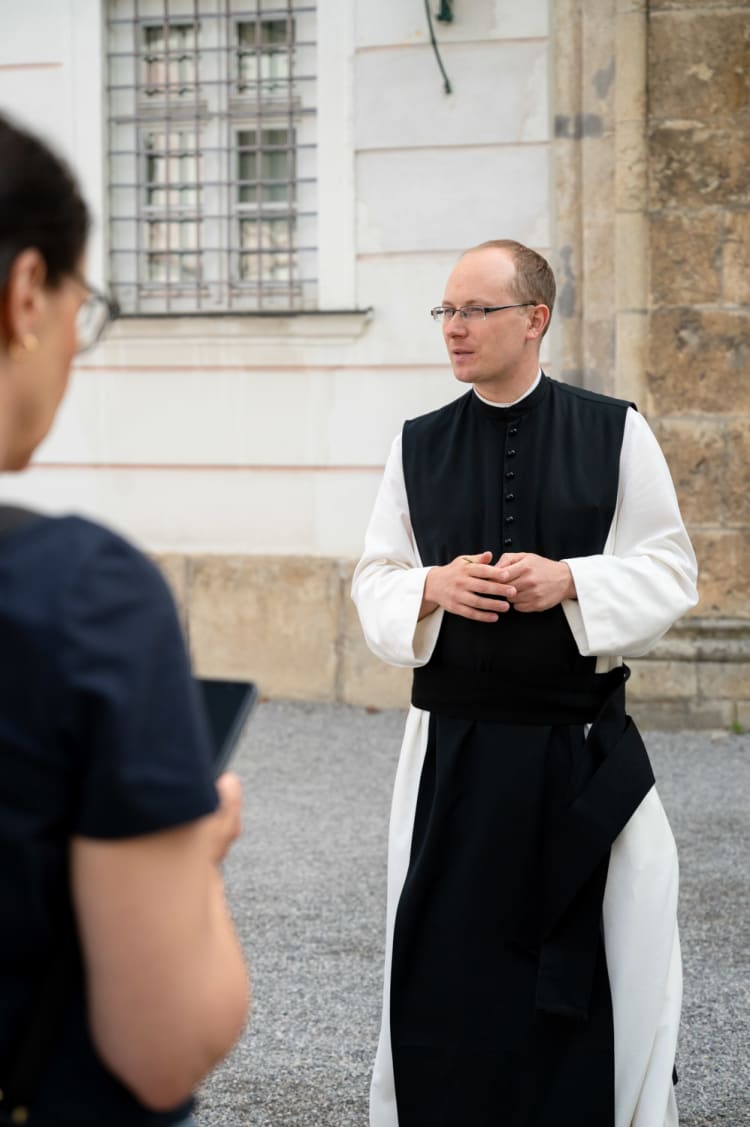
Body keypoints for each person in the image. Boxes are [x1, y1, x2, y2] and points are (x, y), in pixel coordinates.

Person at [352, 239, 698, 1127]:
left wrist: (573, 579)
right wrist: (432, 585)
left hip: (576, 750)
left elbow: (669, 569)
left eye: (474, 311)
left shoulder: (615, 430)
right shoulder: (416, 443)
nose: (454, 330)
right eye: (446, 312)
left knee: (607, 960)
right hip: (452, 756)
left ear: (534, 319)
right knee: (446, 968)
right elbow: (375, 577)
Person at [0, 113, 248, 1126]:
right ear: (25, 295)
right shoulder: (80, 599)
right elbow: (165, 1042)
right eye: (79, 304)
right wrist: (194, 851)